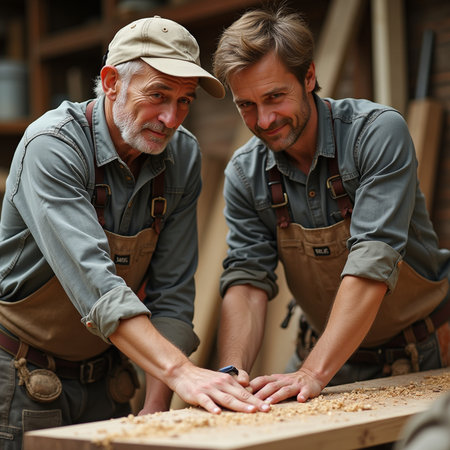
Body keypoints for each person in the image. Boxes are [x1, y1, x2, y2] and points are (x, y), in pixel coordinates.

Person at [0, 16, 269, 450]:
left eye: (184, 101)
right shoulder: (51, 146)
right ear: (110, 81)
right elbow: (99, 288)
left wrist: (156, 406)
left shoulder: (181, 156)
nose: (170, 118)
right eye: (158, 95)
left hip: (106, 380)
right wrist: (182, 373)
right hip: (20, 374)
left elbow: (173, 294)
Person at [212, 4, 450, 406]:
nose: (264, 119)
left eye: (275, 97)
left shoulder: (375, 134)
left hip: (426, 350)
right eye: (246, 105)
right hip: (326, 355)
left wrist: (312, 372)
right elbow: (247, 279)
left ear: (309, 77)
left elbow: (372, 260)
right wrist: (232, 375)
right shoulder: (244, 174)